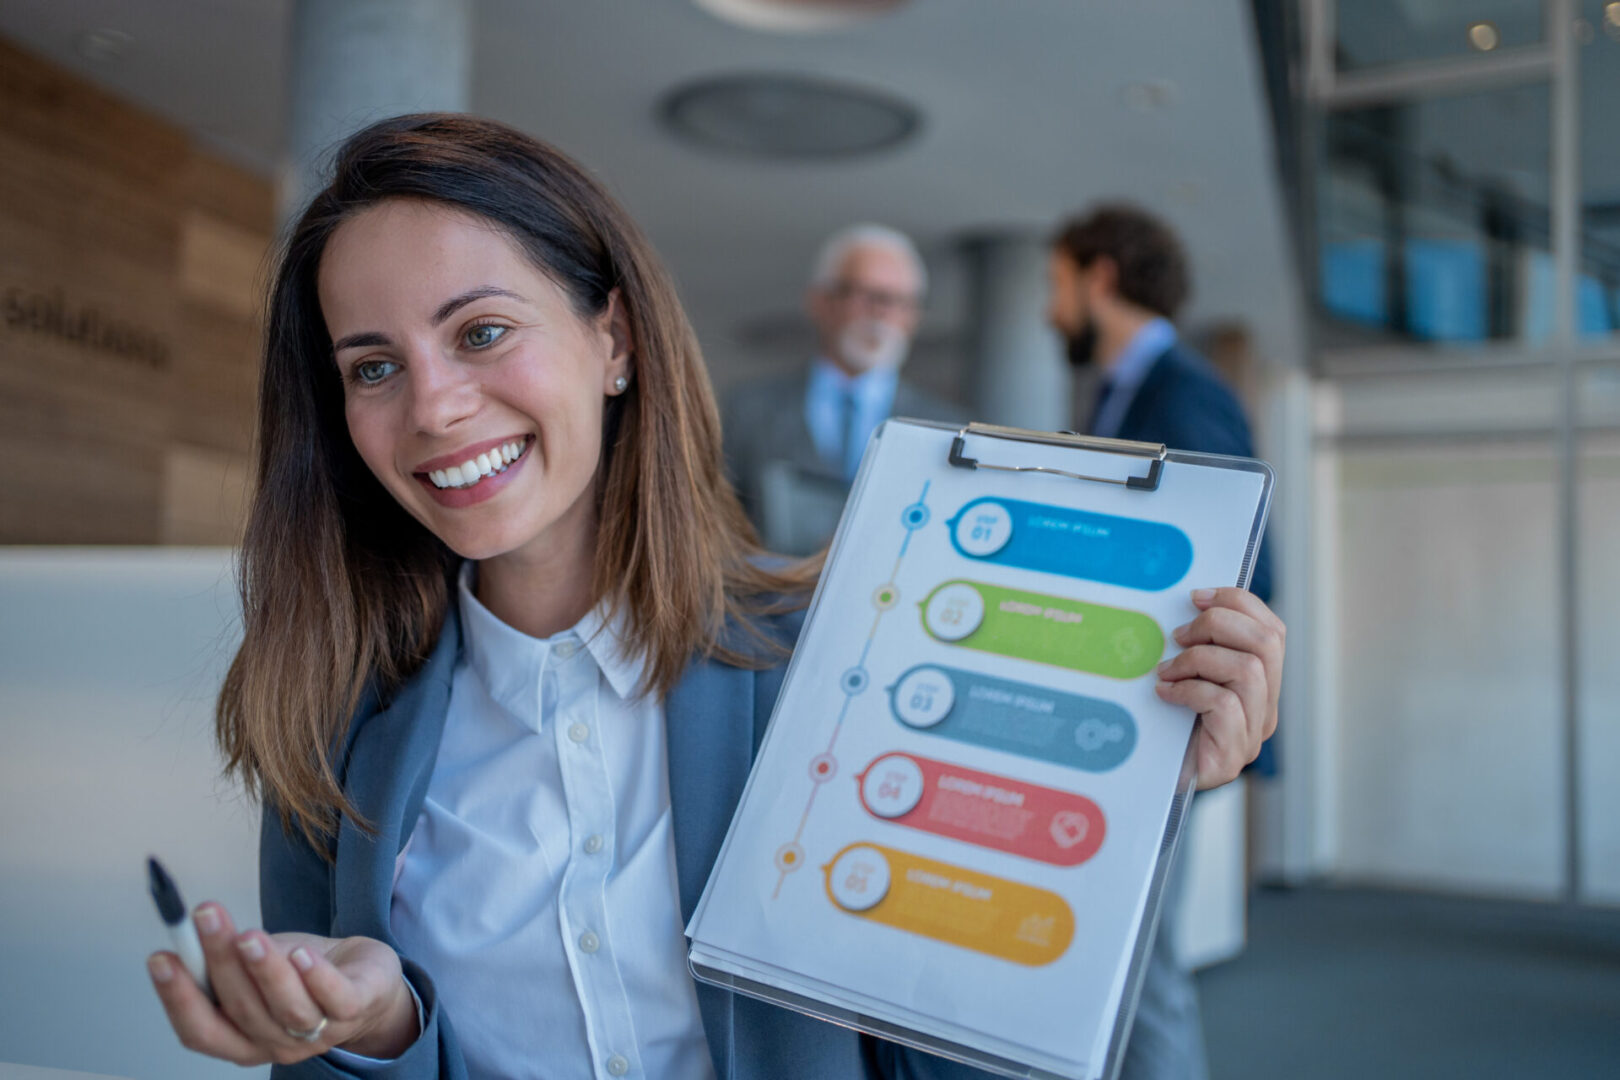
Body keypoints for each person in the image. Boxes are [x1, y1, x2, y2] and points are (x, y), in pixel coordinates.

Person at [144, 115, 1287, 1080]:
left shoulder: (833, 667)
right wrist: (381, 1027)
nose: (434, 408)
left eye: (482, 331)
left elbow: (958, 1048)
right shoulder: (334, 722)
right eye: (374, 366)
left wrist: (1113, 797)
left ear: (616, 341)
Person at [1048, 203, 1272, 602]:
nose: (1051, 312)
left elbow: (1246, 567)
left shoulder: (1188, 395)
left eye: (1058, 285)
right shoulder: (1119, 392)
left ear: (1099, 279)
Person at [722, 224, 968, 554]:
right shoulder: (747, 409)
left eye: (899, 302)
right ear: (821, 301)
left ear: (914, 318)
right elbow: (715, 524)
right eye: (867, 296)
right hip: (770, 599)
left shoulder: (949, 429)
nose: (882, 314)